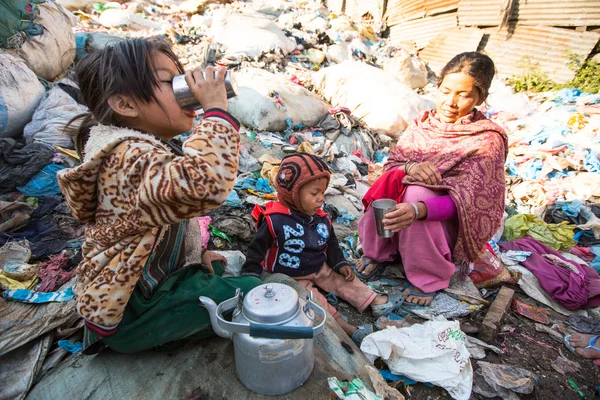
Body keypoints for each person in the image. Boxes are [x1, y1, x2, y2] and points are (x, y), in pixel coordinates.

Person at [57, 38, 261, 353]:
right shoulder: (126, 156)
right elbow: (205, 185)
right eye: (172, 82)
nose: (188, 90)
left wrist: (195, 256)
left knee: (224, 270)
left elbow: (168, 217)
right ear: (125, 105)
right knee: (254, 292)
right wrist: (216, 111)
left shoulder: (144, 148)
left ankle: (191, 275)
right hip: (131, 307)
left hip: (154, 280)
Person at [356, 52, 508, 307]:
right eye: (446, 91)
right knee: (392, 182)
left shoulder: (486, 139)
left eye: (463, 94)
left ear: (480, 97)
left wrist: (418, 210)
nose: (451, 102)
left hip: (445, 223)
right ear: (437, 87)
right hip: (402, 216)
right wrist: (409, 167)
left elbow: (471, 202)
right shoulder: (423, 123)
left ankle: (429, 275)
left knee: (417, 193)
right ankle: (379, 252)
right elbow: (392, 165)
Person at [241, 153, 403, 344]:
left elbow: (331, 243)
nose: (320, 199)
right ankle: (346, 328)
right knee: (310, 299)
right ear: (292, 192)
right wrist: (250, 277)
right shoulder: (274, 219)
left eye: (322, 193)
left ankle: (374, 302)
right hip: (289, 275)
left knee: (344, 279)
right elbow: (255, 250)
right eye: (314, 194)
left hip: (319, 267)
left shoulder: (320, 217)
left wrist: (340, 263)